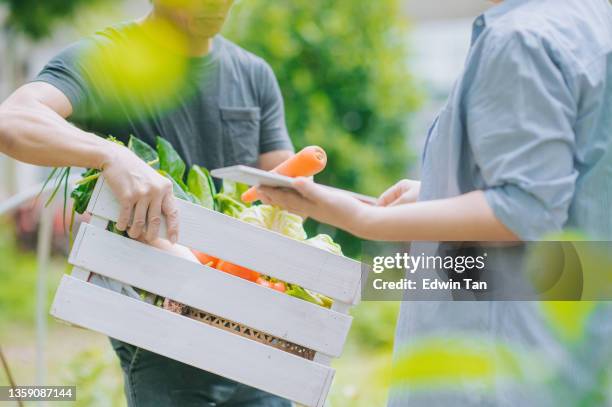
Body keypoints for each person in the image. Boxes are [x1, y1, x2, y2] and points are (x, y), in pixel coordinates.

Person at [258, 0, 612, 405]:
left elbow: (524, 209)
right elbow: (568, 186)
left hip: (495, 364)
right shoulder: (594, 21)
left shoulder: (521, 39)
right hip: (572, 349)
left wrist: (360, 219)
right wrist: (440, 193)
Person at [0, 0, 294, 406]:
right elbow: (13, 120)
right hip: (159, 327)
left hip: (254, 327)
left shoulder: (253, 73)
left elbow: (286, 189)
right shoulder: (108, 59)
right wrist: (112, 155)